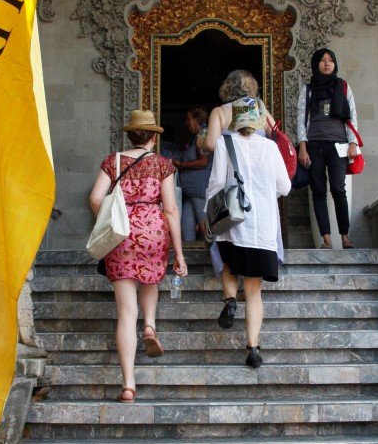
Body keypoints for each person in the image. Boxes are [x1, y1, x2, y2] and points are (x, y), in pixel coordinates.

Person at [89, 109, 187, 402]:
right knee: (150, 282)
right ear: (154, 137)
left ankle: (129, 385)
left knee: (124, 312)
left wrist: (108, 219)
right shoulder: (162, 165)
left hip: (121, 233)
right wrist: (179, 254)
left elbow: (95, 198)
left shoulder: (113, 161)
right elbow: (170, 209)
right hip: (153, 231)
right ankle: (150, 324)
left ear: (131, 134)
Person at [204, 97, 291, 368]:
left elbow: (217, 183)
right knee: (254, 291)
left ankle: (230, 300)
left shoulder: (223, 143)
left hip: (233, 222)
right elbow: (285, 188)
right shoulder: (270, 147)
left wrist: (208, 215)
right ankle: (253, 347)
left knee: (229, 264)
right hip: (263, 226)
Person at [296, 48, 358, 249]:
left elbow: (352, 116)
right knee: (318, 190)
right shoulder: (308, 89)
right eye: (323, 60)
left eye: (330, 60)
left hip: (338, 144)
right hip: (314, 144)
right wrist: (302, 147)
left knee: (339, 189)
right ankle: (326, 238)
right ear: (316, 64)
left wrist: (353, 143)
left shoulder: (343, 87)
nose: (327, 63)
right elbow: (300, 118)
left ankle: (345, 236)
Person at [200, 69, 275, 153]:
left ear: (228, 88)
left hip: (233, 165)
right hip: (260, 165)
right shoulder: (262, 111)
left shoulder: (219, 112)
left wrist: (201, 142)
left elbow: (211, 145)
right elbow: (277, 138)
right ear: (253, 87)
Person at [172, 107, 213, 242]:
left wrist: (180, 164)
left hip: (199, 191)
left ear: (197, 121)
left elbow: (203, 161)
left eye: (188, 120)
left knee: (205, 229)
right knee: (186, 229)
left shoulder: (203, 134)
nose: (186, 123)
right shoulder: (198, 136)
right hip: (191, 192)